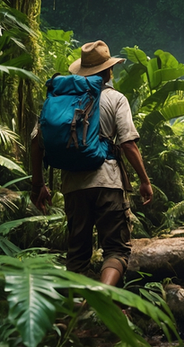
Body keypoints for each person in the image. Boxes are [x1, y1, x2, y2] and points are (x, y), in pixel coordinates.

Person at [30, 40, 153, 286]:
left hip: (73, 185)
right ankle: (102, 297)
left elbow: (36, 143)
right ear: (109, 71)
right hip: (108, 181)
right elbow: (128, 143)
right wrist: (144, 181)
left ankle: (75, 311)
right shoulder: (115, 98)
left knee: (77, 256)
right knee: (116, 250)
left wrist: (38, 186)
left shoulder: (59, 99)